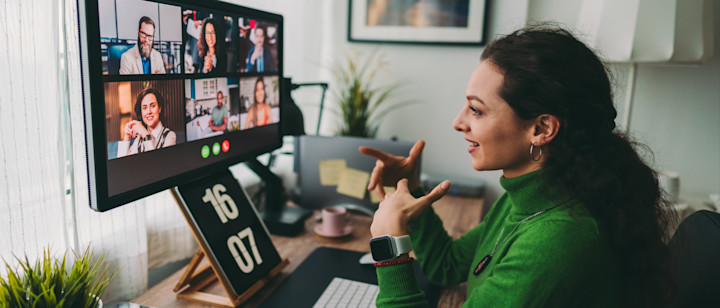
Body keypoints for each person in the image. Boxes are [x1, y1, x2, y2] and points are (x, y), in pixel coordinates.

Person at [361, 26, 676, 307]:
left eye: (476, 110)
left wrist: (389, 247)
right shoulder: (528, 200)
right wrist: (412, 188)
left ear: (541, 129)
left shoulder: (556, 242)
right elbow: (448, 264)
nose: (458, 123)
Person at [117, 88, 176, 157]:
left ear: (159, 108)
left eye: (153, 106)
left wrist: (146, 135)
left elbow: (158, 163)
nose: (148, 111)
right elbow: (123, 164)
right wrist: (127, 138)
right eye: (144, 108)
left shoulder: (170, 136)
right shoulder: (139, 139)